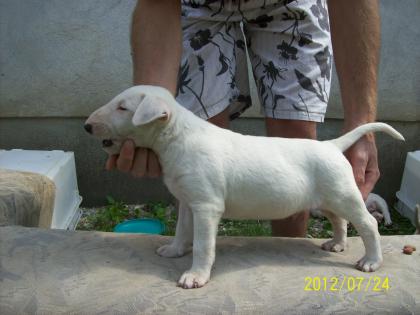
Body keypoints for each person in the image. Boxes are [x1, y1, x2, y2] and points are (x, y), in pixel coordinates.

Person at [106, 0, 380, 237]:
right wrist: (151, 118)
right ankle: (196, 262)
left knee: (297, 147)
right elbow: (157, 4)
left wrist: (361, 121)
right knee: (193, 152)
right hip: (197, 3)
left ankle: (285, 256)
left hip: (291, 2)